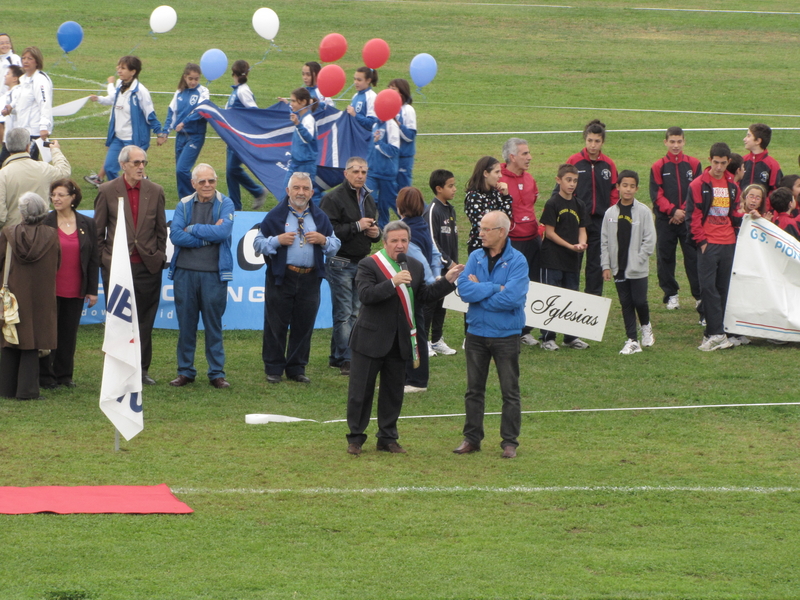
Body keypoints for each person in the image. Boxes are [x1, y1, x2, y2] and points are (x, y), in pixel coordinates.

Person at [345, 220, 463, 456]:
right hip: (370, 341)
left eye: (404, 241)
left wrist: (448, 281)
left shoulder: (416, 266)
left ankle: (387, 438)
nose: (400, 245)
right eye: (395, 241)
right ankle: (355, 438)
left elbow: (424, 297)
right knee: (361, 393)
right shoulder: (369, 265)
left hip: (400, 341)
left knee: (393, 392)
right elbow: (366, 296)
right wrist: (392, 283)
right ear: (385, 242)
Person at [453, 211, 528, 459]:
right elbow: (464, 290)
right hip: (476, 333)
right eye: (480, 228)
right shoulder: (475, 256)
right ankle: (472, 439)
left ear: (502, 232)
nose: (480, 233)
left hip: (506, 335)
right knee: (474, 390)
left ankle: (509, 442)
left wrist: (480, 292)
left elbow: (512, 298)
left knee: (510, 390)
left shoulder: (518, 261)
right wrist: (495, 288)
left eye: (486, 229)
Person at [254, 172, 339, 384]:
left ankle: (296, 368)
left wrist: (323, 240)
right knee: (276, 323)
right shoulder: (275, 216)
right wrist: (276, 241)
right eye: (296, 188)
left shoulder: (320, 218)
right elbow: (257, 244)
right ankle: (273, 368)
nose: (301, 192)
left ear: (311, 192)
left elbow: (335, 246)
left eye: (305, 189)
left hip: (310, 278)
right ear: (288, 191)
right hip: (281, 277)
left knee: (304, 324)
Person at [94, 145, 167, 384]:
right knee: (118, 320)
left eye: (143, 162)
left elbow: (161, 231)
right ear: (123, 165)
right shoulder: (107, 190)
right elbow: (98, 233)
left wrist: (158, 257)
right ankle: (118, 368)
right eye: (136, 163)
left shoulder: (155, 191)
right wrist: (107, 261)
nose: (141, 167)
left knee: (145, 320)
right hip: (117, 269)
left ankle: (141, 369)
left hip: (147, 267)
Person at [167, 164, 234, 389]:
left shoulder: (226, 203)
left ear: (216, 182)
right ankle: (185, 371)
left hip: (214, 275)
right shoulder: (183, 204)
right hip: (185, 273)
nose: (207, 185)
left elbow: (223, 232)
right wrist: (208, 237)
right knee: (186, 325)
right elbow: (176, 235)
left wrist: (193, 228)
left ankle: (217, 373)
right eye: (202, 181)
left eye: (211, 181)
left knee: (213, 325)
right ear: (193, 184)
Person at [320, 157, 381, 376]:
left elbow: (374, 227)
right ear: (345, 174)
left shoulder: (368, 198)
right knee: (345, 313)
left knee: (354, 313)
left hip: (362, 262)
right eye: (355, 171)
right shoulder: (333, 198)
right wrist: (356, 226)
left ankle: (337, 357)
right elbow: (327, 231)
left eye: (363, 172)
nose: (360, 175)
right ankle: (348, 359)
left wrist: (376, 234)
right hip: (340, 261)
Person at [39, 179, 99, 389]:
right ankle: (46, 376)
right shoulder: (45, 221)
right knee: (49, 333)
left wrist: (92, 290)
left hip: (75, 288)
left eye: (61, 195)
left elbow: (93, 258)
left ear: (72, 198)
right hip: (49, 289)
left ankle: (64, 375)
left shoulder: (87, 223)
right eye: (53, 194)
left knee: (68, 333)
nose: (56, 198)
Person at [0, 192, 59, 400]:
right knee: (33, 339)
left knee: (9, 336)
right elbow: (56, 265)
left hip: (14, 292)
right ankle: (28, 390)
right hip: (42, 294)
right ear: (43, 212)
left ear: (22, 212)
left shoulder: (8, 233)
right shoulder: (52, 235)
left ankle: (6, 388)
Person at [685, 142, 742, 352]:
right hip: (709, 244)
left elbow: (734, 214)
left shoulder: (733, 187)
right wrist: (701, 242)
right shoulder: (698, 185)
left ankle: (715, 332)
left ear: (728, 163)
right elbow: (693, 217)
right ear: (710, 161)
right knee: (708, 290)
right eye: (716, 162)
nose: (719, 167)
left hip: (728, 243)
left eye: (723, 163)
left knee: (722, 289)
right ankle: (717, 333)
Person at [601, 170, 656, 355]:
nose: (628, 189)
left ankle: (646, 326)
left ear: (637, 189)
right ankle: (632, 340)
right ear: (617, 187)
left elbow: (650, 239)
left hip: (637, 269)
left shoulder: (643, 212)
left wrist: (639, 259)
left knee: (639, 301)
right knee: (625, 303)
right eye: (625, 185)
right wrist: (606, 265)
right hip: (618, 268)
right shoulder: (610, 213)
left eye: (632, 186)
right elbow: (605, 241)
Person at [649, 126, 702, 313]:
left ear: (684, 142)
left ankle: (699, 296)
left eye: (679, 141)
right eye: (672, 141)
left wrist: (684, 212)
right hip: (666, 221)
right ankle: (671, 294)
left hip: (688, 220)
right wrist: (673, 211)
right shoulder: (658, 166)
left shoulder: (694, 164)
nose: (676, 145)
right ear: (665, 142)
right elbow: (656, 195)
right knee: (665, 258)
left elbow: (697, 191)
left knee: (693, 258)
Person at [564, 119, 618, 296]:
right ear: (585, 139)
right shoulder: (574, 161)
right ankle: (570, 298)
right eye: (590, 140)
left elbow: (614, 193)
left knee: (596, 264)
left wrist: (611, 216)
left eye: (597, 141)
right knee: (573, 261)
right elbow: (563, 189)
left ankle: (592, 301)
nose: (593, 145)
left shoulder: (609, 165)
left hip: (599, 222)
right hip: (577, 222)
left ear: (603, 142)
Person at [89, 55, 165, 182]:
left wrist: (159, 133)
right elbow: (112, 99)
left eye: (123, 68)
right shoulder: (120, 85)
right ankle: (122, 190)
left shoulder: (141, 91)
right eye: (119, 67)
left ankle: (138, 192)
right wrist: (99, 99)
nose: (119, 71)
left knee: (134, 171)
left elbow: (150, 114)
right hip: (118, 138)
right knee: (109, 168)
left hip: (133, 140)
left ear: (133, 72)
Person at [539, 163, 590, 351]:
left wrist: (582, 244)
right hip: (552, 258)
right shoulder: (553, 203)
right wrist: (570, 246)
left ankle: (571, 337)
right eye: (568, 180)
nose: (572, 184)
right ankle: (547, 338)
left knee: (571, 296)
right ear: (558, 180)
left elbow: (582, 229)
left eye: (575, 181)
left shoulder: (580, 205)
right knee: (551, 297)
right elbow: (549, 233)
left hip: (572, 259)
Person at [398, 186, 443, 394]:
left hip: (414, 288)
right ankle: (409, 378)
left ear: (400, 206)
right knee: (416, 332)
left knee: (414, 334)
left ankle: (416, 380)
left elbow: (422, 259)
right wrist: (435, 277)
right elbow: (435, 253)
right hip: (424, 286)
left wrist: (429, 280)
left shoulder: (407, 231)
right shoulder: (422, 225)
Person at [499, 137, 541, 346]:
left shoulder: (531, 179)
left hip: (533, 239)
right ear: (512, 156)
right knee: (510, 286)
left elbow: (531, 203)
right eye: (525, 154)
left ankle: (525, 329)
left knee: (533, 284)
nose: (530, 157)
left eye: (529, 153)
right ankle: (508, 329)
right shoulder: (499, 179)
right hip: (512, 242)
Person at [0, 127, 70, 229]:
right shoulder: (43, 168)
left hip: (13, 236)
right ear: (28, 147)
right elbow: (64, 171)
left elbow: (1, 216)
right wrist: (55, 150)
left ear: (7, 146)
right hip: (40, 235)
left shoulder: (2, 175)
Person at [423, 168, 459, 357]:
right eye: (450, 186)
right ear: (439, 188)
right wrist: (448, 262)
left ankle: (437, 340)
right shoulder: (432, 210)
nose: (454, 189)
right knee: (430, 305)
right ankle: (424, 341)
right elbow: (431, 241)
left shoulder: (450, 209)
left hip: (450, 269)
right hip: (435, 268)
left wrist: (455, 262)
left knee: (443, 304)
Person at [162, 63, 209, 199]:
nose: (193, 82)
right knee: (179, 172)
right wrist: (165, 132)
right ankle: (185, 201)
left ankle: (192, 199)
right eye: (190, 79)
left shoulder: (203, 91)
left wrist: (184, 122)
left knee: (182, 169)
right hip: (180, 136)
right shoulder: (179, 92)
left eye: (196, 79)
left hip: (195, 136)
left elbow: (201, 110)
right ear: (185, 77)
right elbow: (172, 112)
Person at [225, 60, 267, 211]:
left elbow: (254, 111)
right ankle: (235, 206)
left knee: (232, 169)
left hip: (239, 139)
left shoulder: (243, 91)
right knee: (230, 173)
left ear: (233, 74)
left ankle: (258, 191)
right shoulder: (237, 90)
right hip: (232, 138)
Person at [0, 46, 51, 163]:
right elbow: (19, 101)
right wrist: (10, 108)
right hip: (22, 129)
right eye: (24, 58)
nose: (26, 61)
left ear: (37, 61)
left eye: (30, 58)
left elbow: (45, 104)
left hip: (34, 131)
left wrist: (43, 127)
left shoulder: (40, 80)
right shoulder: (23, 79)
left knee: (27, 163)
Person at [464, 156, 513, 255]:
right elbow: (481, 225)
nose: (500, 176)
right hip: (481, 248)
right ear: (486, 173)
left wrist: (506, 196)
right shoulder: (474, 196)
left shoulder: (495, 193)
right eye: (496, 172)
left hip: (498, 247)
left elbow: (506, 219)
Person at [366, 107, 400, 229]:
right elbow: (371, 147)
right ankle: (373, 226)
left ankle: (410, 221)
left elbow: (393, 150)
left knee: (388, 202)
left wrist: (377, 143)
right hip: (372, 172)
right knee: (368, 197)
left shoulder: (391, 125)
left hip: (386, 172)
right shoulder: (376, 124)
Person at [283, 88, 318, 192]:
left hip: (305, 166)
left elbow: (308, 138)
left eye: (293, 101)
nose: (291, 103)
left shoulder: (308, 119)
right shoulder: (302, 117)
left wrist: (298, 124)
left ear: (303, 102)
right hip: (296, 164)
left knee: (305, 198)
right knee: (287, 195)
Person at [388, 78, 416, 191]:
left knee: (404, 191)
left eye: (393, 88)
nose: (389, 91)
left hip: (404, 157)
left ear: (401, 92)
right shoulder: (387, 108)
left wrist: (398, 125)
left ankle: (422, 209)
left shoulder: (408, 110)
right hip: (390, 157)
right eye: (388, 88)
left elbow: (410, 136)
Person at [742, 123, 783, 195]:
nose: (744, 139)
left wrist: (764, 204)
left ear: (758, 141)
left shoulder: (772, 165)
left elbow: (775, 190)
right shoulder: (742, 161)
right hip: (742, 205)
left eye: (748, 136)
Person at [346, 66, 378, 132]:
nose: (355, 82)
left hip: (365, 139)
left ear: (368, 80)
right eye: (355, 79)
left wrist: (355, 115)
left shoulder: (372, 97)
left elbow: (372, 123)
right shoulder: (355, 96)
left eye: (359, 80)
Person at [0, 64, 22, 145]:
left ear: (15, 79)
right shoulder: (9, 93)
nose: (5, 76)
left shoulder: (16, 92)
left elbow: (1, 122)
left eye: (8, 74)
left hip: (13, 139)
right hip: (11, 138)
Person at [0, 33, 21, 98]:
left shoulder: (14, 59)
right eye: (2, 43)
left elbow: (19, 79)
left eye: (7, 43)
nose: (5, 45)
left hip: (9, 99)